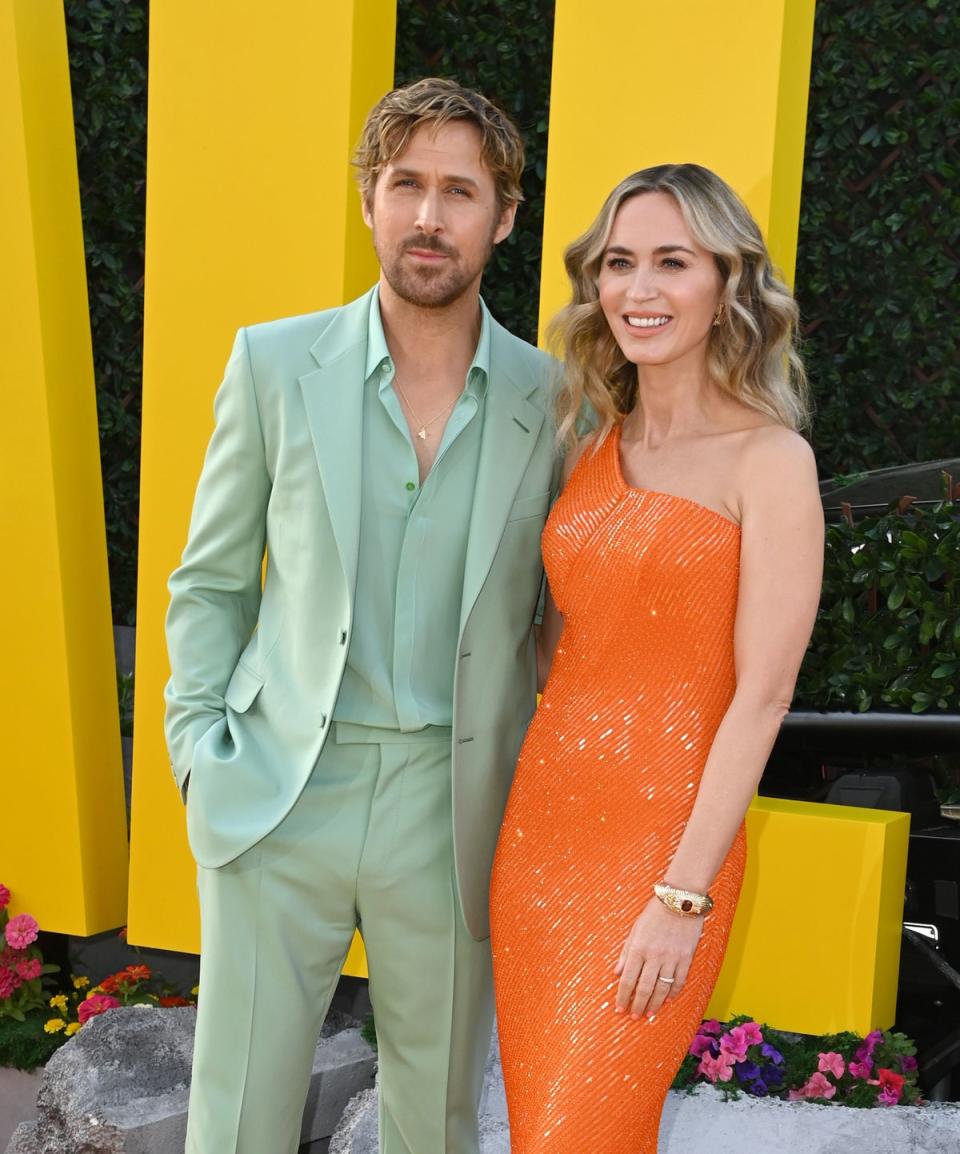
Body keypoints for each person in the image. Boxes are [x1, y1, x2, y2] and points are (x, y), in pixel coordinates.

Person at [163, 77, 558, 1154]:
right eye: (407, 185)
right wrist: (199, 746)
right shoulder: (275, 362)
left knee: (434, 1120)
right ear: (372, 201)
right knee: (237, 1109)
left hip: (452, 801)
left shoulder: (554, 398)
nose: (431, 215)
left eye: (461, 192)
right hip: (283, 781)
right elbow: (209, 578)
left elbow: (561, 617)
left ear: (504, 217)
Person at [490, 163, 824, 1153]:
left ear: (727, 284)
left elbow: (761, 698)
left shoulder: (771, 462)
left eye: (671, 262)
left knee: (577, 1132)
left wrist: (682, 895)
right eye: (620, 263)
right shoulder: (588, 440)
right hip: (540, 840)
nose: (639, 289)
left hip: (664, 857)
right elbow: (563, 647)